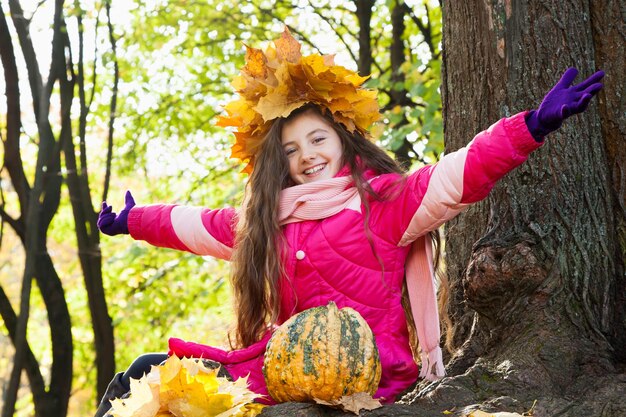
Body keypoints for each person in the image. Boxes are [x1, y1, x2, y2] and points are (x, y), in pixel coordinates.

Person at [94, 28, 604, 416]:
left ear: (343, 139)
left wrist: (531, 126)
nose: (307, 156)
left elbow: (457, 175)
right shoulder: (269, 222)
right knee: (142, 375)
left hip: (368, 375)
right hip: (285, 370)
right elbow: (196, 226)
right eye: (292, 150)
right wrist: (134, 220)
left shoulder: (383, 201)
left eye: (318, 139)